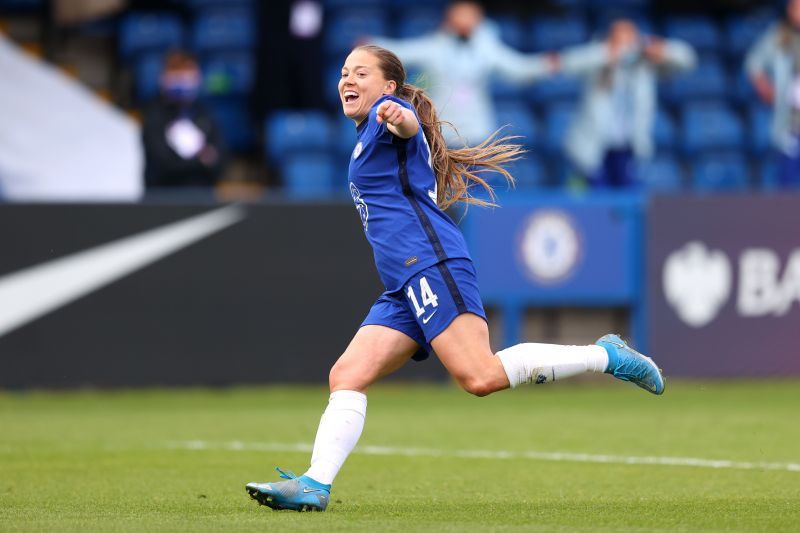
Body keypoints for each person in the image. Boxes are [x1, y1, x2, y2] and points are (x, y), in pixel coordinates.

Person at [245, 44, 665, 513]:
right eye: (344, 72)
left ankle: (604, 355)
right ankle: (314, 484)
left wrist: (395, 113)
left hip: (432, 264)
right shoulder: (366, 134)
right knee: (346, 374)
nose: (348, 80)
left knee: (478, 376)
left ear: (388, 86)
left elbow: (407, 126)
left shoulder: (392, 117)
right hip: (402, 286)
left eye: (360, 73)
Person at [369, 0, 558, 147]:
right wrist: (371, 45)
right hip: (443, 128)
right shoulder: (435, 46)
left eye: (471, 15)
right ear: (450, 17)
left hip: (478, 129)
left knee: (477, 190)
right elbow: (404, 51)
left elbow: (518, 68)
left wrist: (544, 65)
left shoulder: (487, 47)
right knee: (443, 189)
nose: (466, 19)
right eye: (462, 14)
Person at [560, 19, 696, 188]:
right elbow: (571, 61)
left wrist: (661, 49)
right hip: (593, 147)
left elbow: (687, 59)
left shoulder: (643, 64)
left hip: (628, 147)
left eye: (630, 38)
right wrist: (607, 54)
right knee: (593, 199)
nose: (627, 45)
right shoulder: (597, 59)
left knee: (628, 199)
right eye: (620, 38)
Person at [141, 50, 227, 187]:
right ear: (164, 78)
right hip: (163, 196)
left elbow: (219, 161)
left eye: (188, 74)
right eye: (177, 74)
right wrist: (200, 160)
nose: (183, 80)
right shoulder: (154, 114)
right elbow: (162, 164)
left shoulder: (205, 112)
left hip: (202, 195)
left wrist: (205, 161)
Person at [746, 0, 800, 188]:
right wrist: (766, 88)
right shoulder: (779, 36)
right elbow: (753, 63)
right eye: (796, 7)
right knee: (787, 179)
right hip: (791, 121)